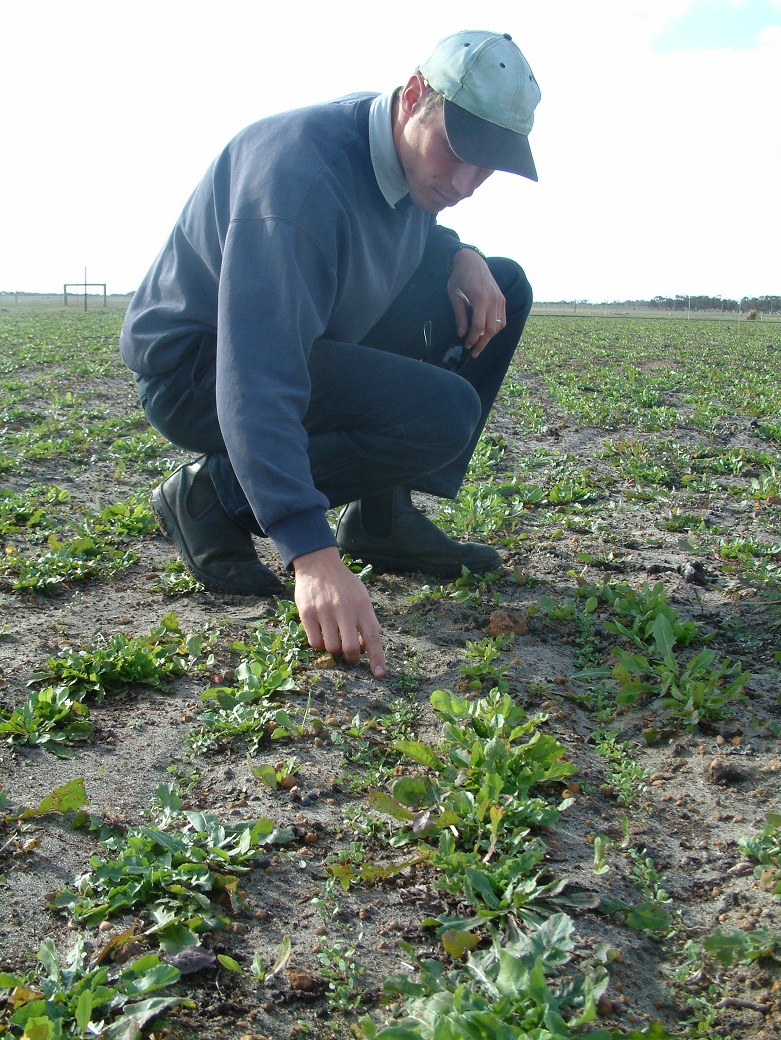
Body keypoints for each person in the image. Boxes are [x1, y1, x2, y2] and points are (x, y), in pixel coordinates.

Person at [120, 29, 541, 681]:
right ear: (412, 96)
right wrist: (307, 549)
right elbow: (258, 375)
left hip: (297, 339)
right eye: (456, 150)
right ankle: (213, 496)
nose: (465, 179)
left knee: (501, 285)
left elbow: (400, 220)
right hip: (198, 369)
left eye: (488, 163)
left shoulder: (400, 161)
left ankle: (383, 519)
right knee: (441, 412)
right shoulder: (297, 183)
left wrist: (460, 253)